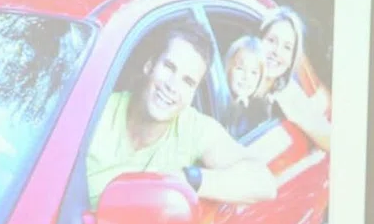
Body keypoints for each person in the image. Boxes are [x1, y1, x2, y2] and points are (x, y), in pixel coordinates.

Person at [85, 19, 277, 210]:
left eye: (187, 81)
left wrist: (186, 179)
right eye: (169, 67)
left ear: (193, 93)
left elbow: (263, 183)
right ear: (149, 66)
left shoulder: (192, 128)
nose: (172, 86)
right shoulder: (94, 113)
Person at [252, 7, 332, 151]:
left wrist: (298, 113)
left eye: (287, 48)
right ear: (257, 40)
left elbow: (332, 142)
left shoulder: (287, 94)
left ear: (292, 59)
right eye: (271, 40)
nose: (276, 52)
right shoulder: (233, 78)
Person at [222, 34, 270, 139]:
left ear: (260, 78)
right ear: (229, 69)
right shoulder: (218, 99)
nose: (246, 77)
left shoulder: (259, 116)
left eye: (253, 72)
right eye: (240, 68)